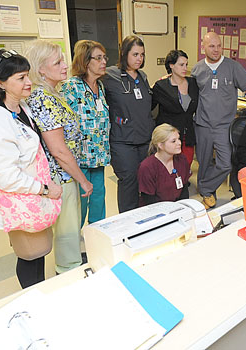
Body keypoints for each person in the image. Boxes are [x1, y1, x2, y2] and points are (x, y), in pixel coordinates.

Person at [0, 49, 62, 288]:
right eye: (21, 78)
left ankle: (39, 293)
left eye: (27, 75)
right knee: (29, 254)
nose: (29, 82)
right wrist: (44, 189)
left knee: (40, 252)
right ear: (0, 83)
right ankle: (31, 300)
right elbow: (6, 178)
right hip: (22, 199)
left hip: (34, 196)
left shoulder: (21, 109)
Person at [25, 40, 93, 274]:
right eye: (58, 62)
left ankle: (70, 265)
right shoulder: (42, 98)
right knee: (67, 230)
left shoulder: (53, 92)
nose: (65, 65)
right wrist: (83, 180)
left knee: (71, 227)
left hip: (65, 173)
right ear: (41, 69)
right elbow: (59, 150)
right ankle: (68, 273)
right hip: (60, 177)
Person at [191, 32, 246, 209]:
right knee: (203, 162)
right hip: (202, 124)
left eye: (219, 46)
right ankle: (208, 193)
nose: (216, 50)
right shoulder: (197, 69)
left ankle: (206, 187)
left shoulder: (233, 67)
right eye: (211, 46)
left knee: (225, 163)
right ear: (203, 47)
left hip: (224, 126)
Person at [61, 40, 110, 226]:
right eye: (98, 58)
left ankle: (97, 234)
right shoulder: (70, 87)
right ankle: (75, 241)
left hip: (98, 156)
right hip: (79, 159)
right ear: (85, 61)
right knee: (80, 203)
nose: (104, 61)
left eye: (104, 57)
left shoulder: (100, 87)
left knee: (99, 199)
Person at [103, 35, 155, 213]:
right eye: (135, 54)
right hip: (122, 140)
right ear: (124, 54)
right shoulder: (110, 76)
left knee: (146, 178)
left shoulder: (143, 76)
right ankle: (126, 219)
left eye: (141, 54)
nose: (139, 59)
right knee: (129, 180)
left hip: (144, 137)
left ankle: (144, 216)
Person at [151, 50, 198, 169]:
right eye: (181, 65)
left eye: (186, 65)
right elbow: (148, 106)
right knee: (168, 166)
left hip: (187, 134)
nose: (185, 68)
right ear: (171, 65)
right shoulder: (161, 86)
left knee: (186, 164)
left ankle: (182, 185)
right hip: (169, 135)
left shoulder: (193, 83)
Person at [137, 124, 191, 206]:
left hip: (177, 208)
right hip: (155, 211)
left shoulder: (182, 160)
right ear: (160, 145)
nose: (179, 143)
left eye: (178, 139)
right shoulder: (147, 167)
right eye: (173, 141)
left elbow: (184, 190)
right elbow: (149, 200)